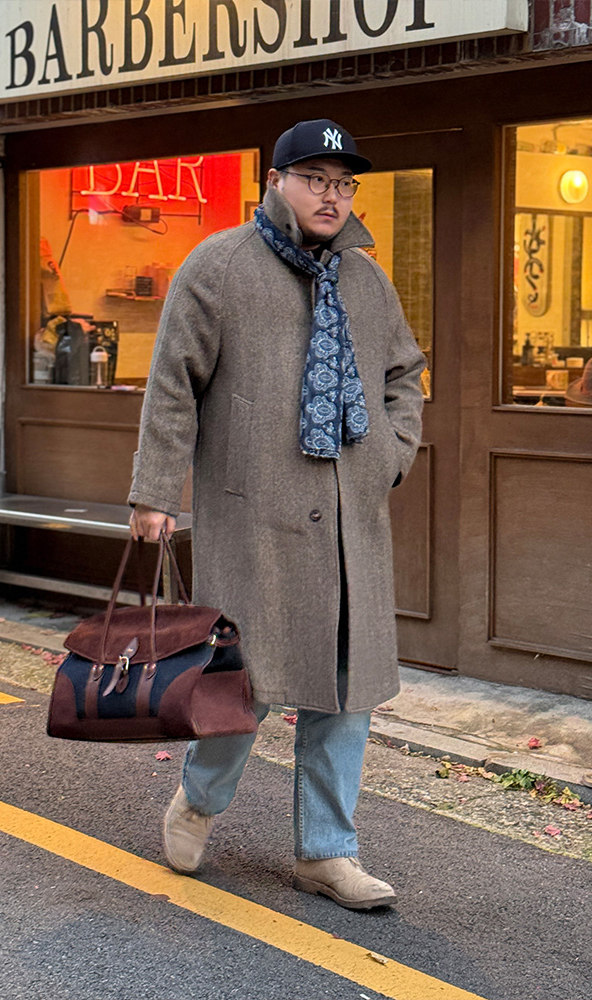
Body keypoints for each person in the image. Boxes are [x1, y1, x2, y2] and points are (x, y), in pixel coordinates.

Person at [128, 119, 426, 910]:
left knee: (345, 690)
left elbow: (405, 372)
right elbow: (172, 385)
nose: (332, 196)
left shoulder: (367, 280)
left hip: (349, 518)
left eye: (344, 184)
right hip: (251, 510)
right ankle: (199, 802)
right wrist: (155, 495)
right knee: (239, 684)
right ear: (276, 181)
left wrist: (392, 452)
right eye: (316, 179)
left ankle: (327, 853)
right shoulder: (219, 266)